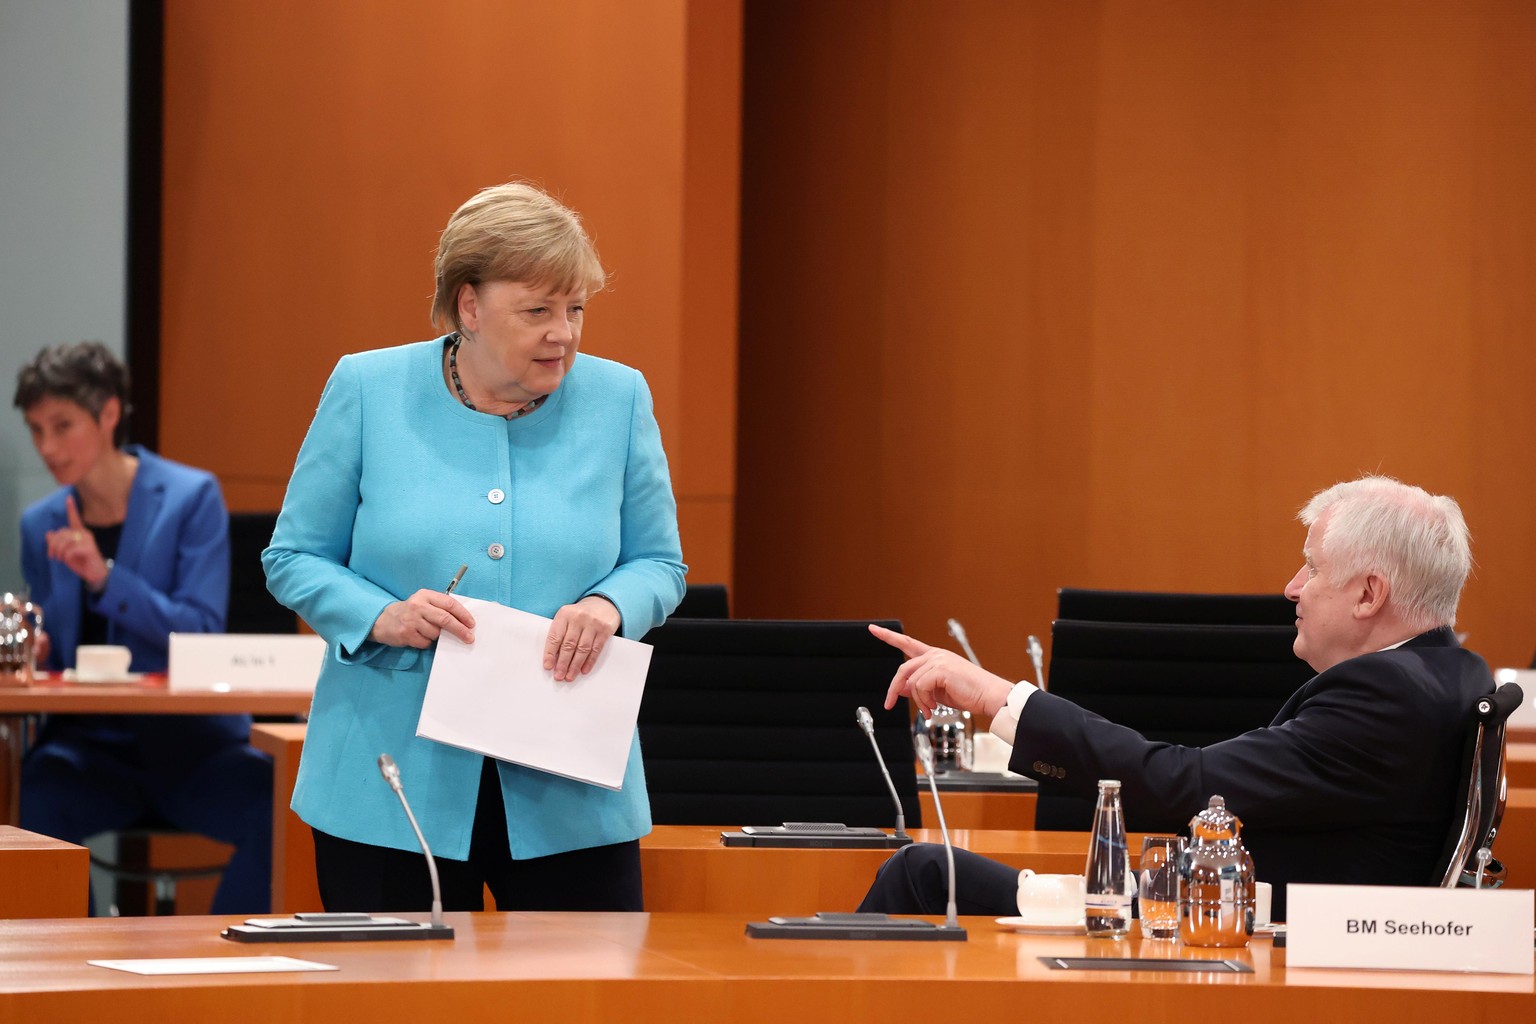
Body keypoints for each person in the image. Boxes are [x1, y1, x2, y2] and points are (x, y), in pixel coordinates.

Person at [263, 181, 686, 914]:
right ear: (469, 305)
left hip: (571, 787)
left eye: (576, 308)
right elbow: (293, 557)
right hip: (389, 786)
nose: (565, 334)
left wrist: (608, 605)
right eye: (537, 311)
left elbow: (661, 564)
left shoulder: (620, 399)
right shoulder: (366, 388)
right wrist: (381, 616)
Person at [858, 476, 1494, 921]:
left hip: (1231, 936)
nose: (1292, 587)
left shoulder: (1385, 699)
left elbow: (1189, 788)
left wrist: (997, 696)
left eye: (1312, 568)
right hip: (1223, 909)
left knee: (919, 873)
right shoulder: (1454, 672)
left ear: (1367, 594)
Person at [14, 341, 273, 914]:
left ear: (109, 414)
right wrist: (38, 649)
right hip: (88, 748)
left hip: (192, 746)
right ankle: (72, 981)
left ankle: (218, 979)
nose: (47, 448)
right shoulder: (41, 523)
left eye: (62, 425)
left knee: (274, 806)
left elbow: (200, 632)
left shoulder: (189, 497)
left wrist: (105, 579)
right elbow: (53, 655)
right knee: (32, 797)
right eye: (36, 429)